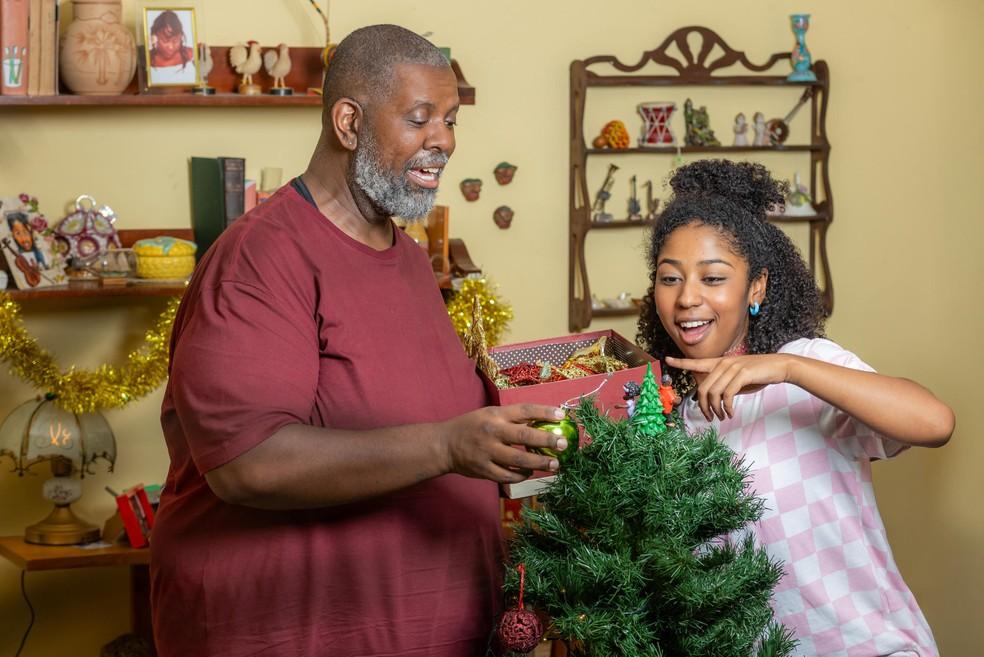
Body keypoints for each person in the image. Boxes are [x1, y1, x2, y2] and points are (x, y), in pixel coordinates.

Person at [150, 24, 568, 657]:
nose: (444, 142)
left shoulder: (405, 257)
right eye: (420, 119)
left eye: (451, 121)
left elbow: (409, 414)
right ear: (348, 123)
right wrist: (449, 445)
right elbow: (247, 466)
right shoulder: (261, 258)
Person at [637, 159, 954, 656]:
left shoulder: (808, 369)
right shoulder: (665, 417)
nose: (687, 298)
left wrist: (786, 369)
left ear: (756, 287)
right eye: (670, 279)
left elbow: (935, 422)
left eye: (713, 278)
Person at [148, 10, 195, 84]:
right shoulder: (148, 59)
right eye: (165, 40)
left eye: (175, 41)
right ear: (154, 37)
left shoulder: (191, 55)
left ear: (181, 37)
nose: (171, 47)